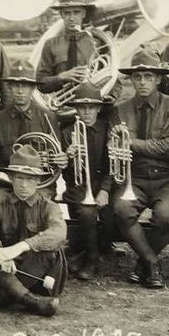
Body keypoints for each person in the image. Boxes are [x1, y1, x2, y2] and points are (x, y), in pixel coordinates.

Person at [107, 49, 169, 289]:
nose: (142, 82)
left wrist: (130, 142)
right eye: (138, 77)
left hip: (166, 177)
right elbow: (115, 147)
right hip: (133, 176)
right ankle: (151, 262)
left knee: (165, 218)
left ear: (158, 79)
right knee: (121, 210)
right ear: (131, 79)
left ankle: (142, 262)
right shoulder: (120, 109)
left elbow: (167, 147)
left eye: (148, 76)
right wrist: (116, 143)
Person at [0, 144, 66, 316]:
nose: (24, 185)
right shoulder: (2, 206)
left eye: (30, 179)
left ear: (39, 181)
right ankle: (29, 301)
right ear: (10, 178)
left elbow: (59, 234)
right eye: (19, 178)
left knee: (51, 249)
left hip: (41, 278)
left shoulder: (50, 207)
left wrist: (17, 248)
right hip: (7, 270)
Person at [0, 59, 66, 207]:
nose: (20, 91)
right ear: (10, 88)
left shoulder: (47, 117)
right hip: (7, 184)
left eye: (25, 86)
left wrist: (61, 159)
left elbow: (56, 155)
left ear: (32, 89)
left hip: (40, 184)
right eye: (16, 86)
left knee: (38, 204)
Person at [57, 82, 112, 281]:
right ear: (76, 109)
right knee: (87, 213)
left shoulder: (107, 129)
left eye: (91, 107)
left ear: (98, 108)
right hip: (78, 186)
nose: (87, 112)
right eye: (82, 107)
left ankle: (90, 251)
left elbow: (112, 165)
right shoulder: (66, 132)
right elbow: (63, 172)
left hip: (103, 184)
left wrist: (105, 190)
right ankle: (92, 258)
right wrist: (68, 158)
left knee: (113, 214)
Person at [34, 0, 105, 97]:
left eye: (76, 12)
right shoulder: (50, 44)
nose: (71, 18)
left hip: (92, 107)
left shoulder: (98, 42)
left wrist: (112, 95)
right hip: (63, 107)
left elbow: (112, 76)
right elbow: (41, 84)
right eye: (67, 13)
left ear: (83, 14)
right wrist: (61, 77)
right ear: (61, 15)